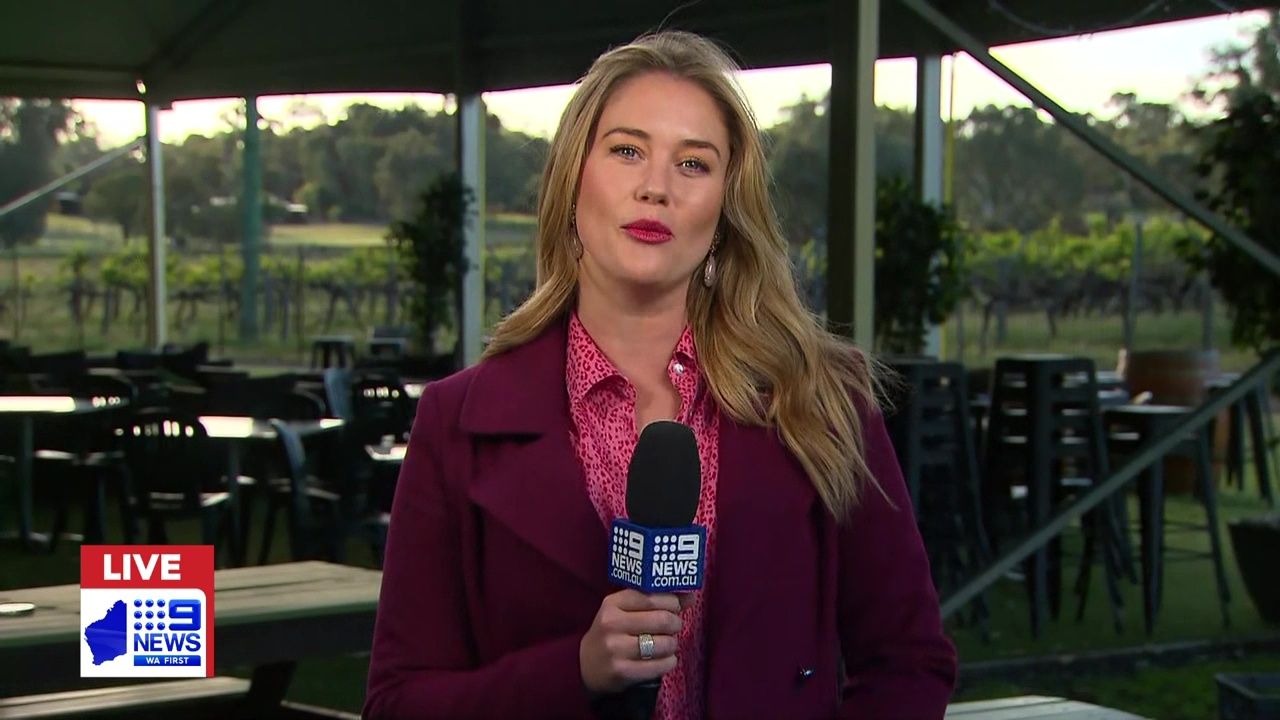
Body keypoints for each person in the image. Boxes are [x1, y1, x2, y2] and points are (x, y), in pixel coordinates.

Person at [364, 30, 956, 720]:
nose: (656, 187)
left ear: (726, 208)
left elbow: (909, 663)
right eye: (627, 151)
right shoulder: (457, 423)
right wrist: (576, 671)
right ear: (573, 179)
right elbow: (397, 703)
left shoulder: (822, 399)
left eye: (694, 164)